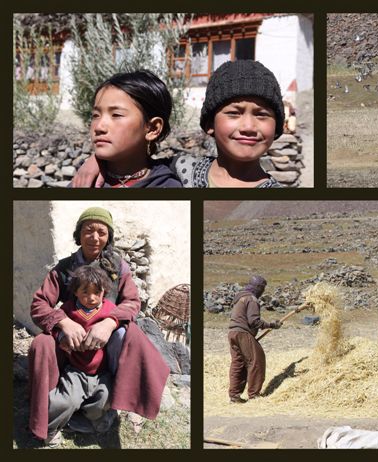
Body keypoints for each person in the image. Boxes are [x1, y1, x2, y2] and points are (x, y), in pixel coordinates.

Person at [28, 207, 169, 444]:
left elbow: (132, 301)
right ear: (79, 234)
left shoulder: (117, 267)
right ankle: (45, 410)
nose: (95, 237)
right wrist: (63, 322)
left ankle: (115, 394)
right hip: (75, 342)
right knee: (41, 342)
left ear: (108, 236)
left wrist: (109, 322)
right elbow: (39, 304)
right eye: (88, 230)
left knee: (126, 333)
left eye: (101, 232)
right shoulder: (63, 269)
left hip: (105, 341)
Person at [72, 61, 285, 188]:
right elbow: (133, 157)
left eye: (262, 115)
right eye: (234, 113)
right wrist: (97, 159)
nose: (248, 125)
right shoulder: (185, 168)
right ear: (210, 123)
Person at [72, 70, 181, 188]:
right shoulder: (83, 182)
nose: (99, 127)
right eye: (95, 115)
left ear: (152, 129)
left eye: (116, 115)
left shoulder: (167, 188)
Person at [46, 266, 119, 444]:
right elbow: (56, 326)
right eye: (85, 292)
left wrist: (110, 324)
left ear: (105, 291)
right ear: (75, 292)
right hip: (76, 371)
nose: (91, 297)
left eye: (97, 292)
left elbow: (121, 318)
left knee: (103, 400)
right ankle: (49, 429)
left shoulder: (109, 309)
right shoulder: (68, 309)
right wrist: (62, 336)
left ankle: (93, 417)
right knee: (62, 402)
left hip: (102, 373)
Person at [228, 275, 282, 403]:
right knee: (256, 361)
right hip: (243, 333)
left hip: (232, 333)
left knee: (238, 363)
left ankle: (234, 396)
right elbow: (254, 321)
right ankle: (254, 395)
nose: (262, 291)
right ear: (257, 287)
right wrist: (271, 325)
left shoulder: (240, 298)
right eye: (262, 288)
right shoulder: (251, 299)